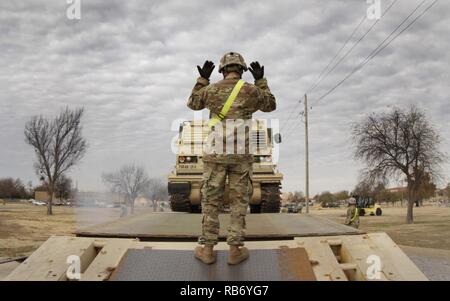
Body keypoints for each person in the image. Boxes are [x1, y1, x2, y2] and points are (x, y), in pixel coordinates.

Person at [187, 52, 276, 265]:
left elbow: (193, 103)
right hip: (240, 157)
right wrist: (261, 82)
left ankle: (207, 250)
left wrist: (202, 80)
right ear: (242, 69)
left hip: (215, 156)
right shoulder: (250, 91)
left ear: (222, 70)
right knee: (239, 203)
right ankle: (235, 250)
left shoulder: (211, 90)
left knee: (211, 202)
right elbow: (270, 105)